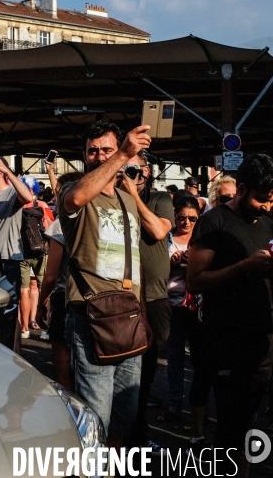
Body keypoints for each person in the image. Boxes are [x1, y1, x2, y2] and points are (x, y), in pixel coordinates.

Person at [58, 120, 150, 448]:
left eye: (106, 149)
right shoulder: (72, 192)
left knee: (127, 409)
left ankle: (110, 465)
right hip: (91, 314)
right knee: (97, 412)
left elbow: (155, 233)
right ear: (84, 157)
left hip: (128, 313)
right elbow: (78, 197)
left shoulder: (127, 199)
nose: (99, 156)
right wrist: (123, 152)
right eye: (92, 151)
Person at [187, 153, 273, 476]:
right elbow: (195, 281)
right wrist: (244, 267)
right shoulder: (214, 223)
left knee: (251, 422)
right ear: (241, 189)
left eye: (272, 200)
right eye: (261, 199)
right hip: (225, 340)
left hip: (262, 338)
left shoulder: (268, 223)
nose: (267, 206)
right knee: (229, 425)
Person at [119, 152, 174, 452]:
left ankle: (136, 433)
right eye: (126, 168)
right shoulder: (115, 197)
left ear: (147, 172)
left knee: (147, 371)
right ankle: (131, 437)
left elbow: (157, 229)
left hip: (154, 298)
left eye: (135, 169)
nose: (130, 174)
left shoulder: (159, 199)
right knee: (126, 372)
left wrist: (132, 195)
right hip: (124, 299)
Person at [162, 195, 211, 454]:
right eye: (182, 217)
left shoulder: (201, 239)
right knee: (174, 358)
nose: (187, 222)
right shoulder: (166, 238)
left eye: (193, 218)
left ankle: (195, 410)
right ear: (174, 216)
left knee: (199, 362)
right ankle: (173, 406)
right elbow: (157, 273)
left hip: (196, 307)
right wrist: (171, 265)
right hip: (173, 305)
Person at [38, 171, 84, 390]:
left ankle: (69, 408)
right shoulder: (90, 220)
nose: (55, 199)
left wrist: (40, 303)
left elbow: (51, 275)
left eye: (58, 193)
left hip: (64, 297)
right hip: (92, 297)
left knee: (62, 357)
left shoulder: (60, 225)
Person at [0, 155, 33, 300]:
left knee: (8, 307)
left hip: (8, 260)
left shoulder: (12, 193)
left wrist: (8, 171)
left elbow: (28, 198)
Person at [19, 175, 54, 338]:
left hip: (22, 251)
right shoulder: (41, 205)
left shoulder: (17, 207)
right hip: (41, 251)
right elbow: (49, 228)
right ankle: (45, 328)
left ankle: (24, 328)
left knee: (23, 290)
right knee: (43, 289)